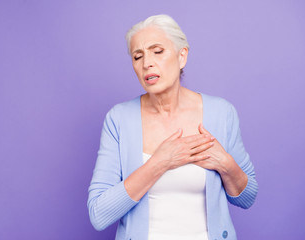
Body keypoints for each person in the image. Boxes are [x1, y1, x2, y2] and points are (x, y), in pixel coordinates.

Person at [87, 14, 258, 240]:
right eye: (138, 57)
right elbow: (99, 214)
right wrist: (160, 162)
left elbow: (247, 198)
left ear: (182, 56)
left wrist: (225, 164)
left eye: (157, 51)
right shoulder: (119, 119)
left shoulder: (221, 113)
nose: (147, 63)